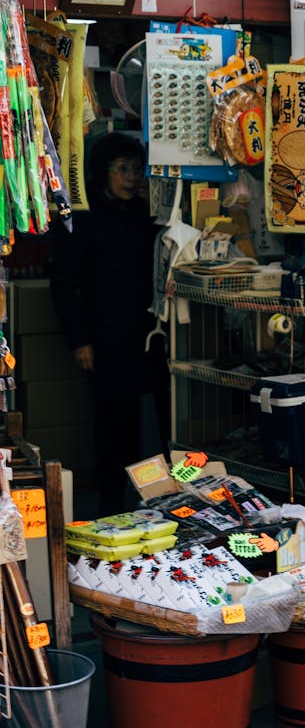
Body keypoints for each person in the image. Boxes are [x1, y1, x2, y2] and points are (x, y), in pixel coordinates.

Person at [50, 133, 166, 513]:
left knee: (150, 423)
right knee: (112, 424)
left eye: (136, 169)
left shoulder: (144, 215)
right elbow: (64, 285)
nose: (132, 178)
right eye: (123, 170)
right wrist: (79, 340)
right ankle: (111, 507)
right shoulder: (80, 219)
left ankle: (153, 503)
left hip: (148, 334)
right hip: (103, 337)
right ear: (102, 173)